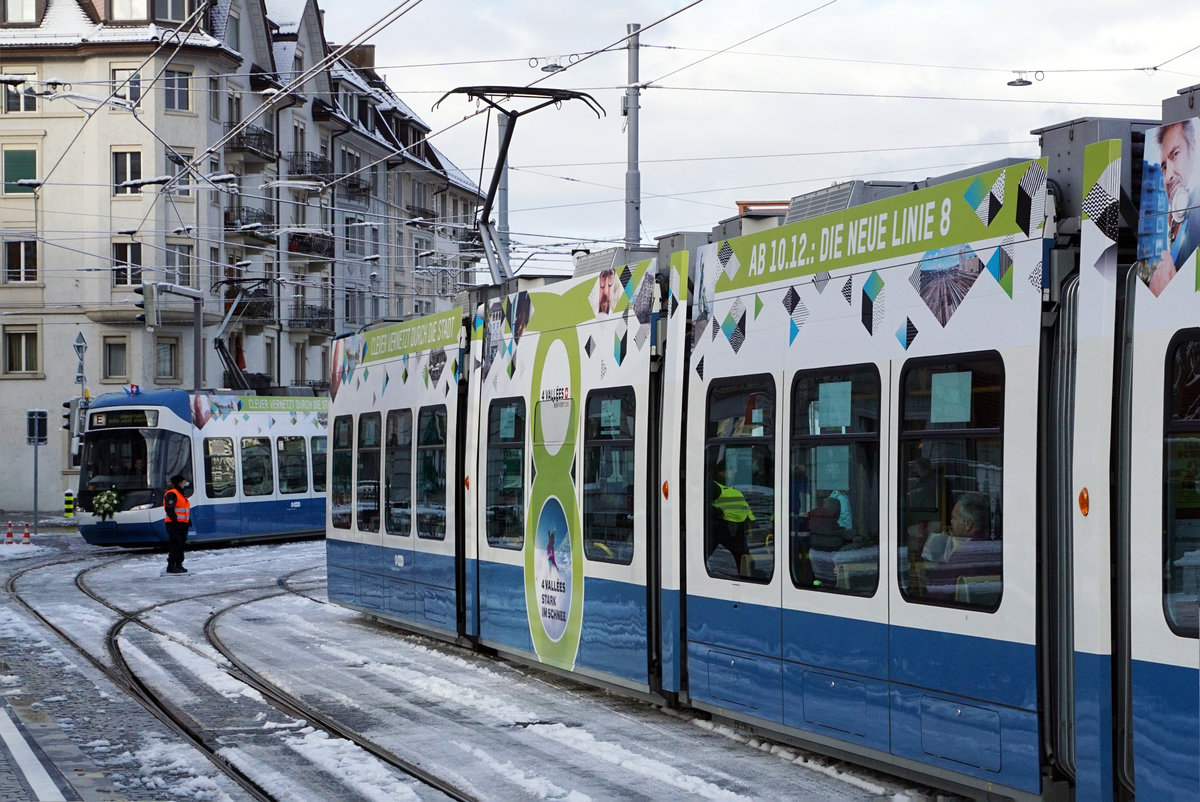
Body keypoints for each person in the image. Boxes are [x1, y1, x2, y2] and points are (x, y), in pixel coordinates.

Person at [1147, 120, 1200, 296]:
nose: (1168, 175)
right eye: (1163, 167)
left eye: (1175, 154)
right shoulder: (1178, 222)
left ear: (1193, 149)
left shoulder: (1195, 215)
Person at [707, 461, 754, 575]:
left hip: (736, 528)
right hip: (722, 528)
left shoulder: (728, 487)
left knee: (743, 556)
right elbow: (700, 504)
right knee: (741, 555)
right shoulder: (715, 487)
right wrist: (716, 513)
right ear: (722, 472)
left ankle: (747, 577)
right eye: (731, 470)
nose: (734, 472)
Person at [163, 473, 191, 574]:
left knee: (181, 546)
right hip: (174, 525)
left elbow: (183, 509)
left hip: (182, 524)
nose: (184, 484)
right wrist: (174, 520)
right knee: (176, 546)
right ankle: (171, 566)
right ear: (179, 483)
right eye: (183, 482)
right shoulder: (172, 493)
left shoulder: (181, 494)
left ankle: (178, 565)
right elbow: (169, 508)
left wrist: (188, 521)